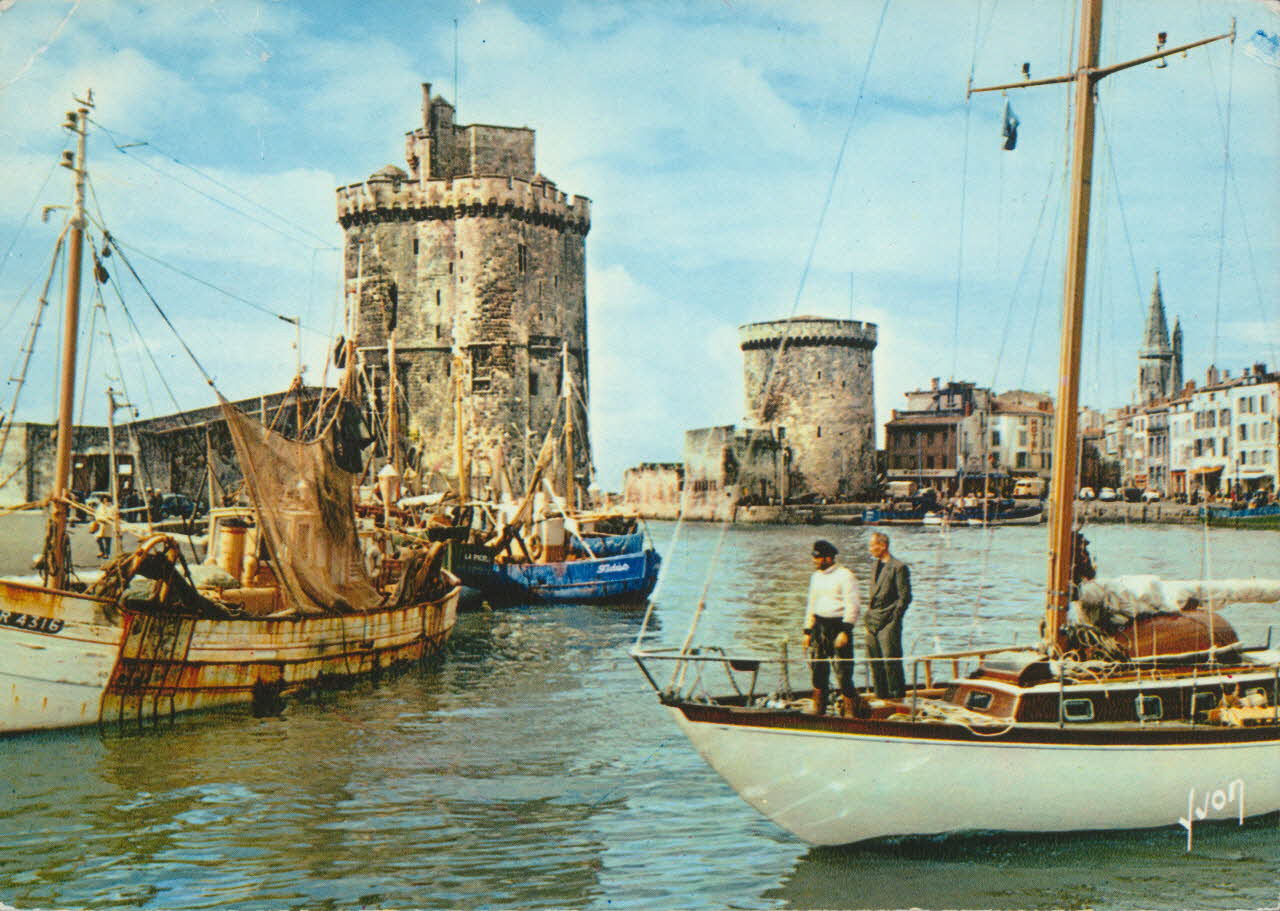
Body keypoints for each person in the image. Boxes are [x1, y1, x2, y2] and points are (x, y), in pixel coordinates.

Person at [802, 539, 863, 718]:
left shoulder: (845, 576)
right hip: (819, 625)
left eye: (818, 558)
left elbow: (853, 606)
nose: (814, 561)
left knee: (844, 673)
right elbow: (811, 604)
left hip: (839, 626)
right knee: (818, 671)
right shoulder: (816, 577)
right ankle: (819, 710)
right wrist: (807, 631)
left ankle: (850, 711)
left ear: (828, 558)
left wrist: (846, 630)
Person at [864, 531, 912, 699]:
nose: (870, 549)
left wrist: (894, 620)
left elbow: (904, 598)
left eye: (872, 545)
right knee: (875, 663)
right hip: (872, 622)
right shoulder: (875, 566)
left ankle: (897, 698)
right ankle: (881, 697)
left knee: (891, 662)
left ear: (882, 546)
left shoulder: (898, 568)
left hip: (889, 622)